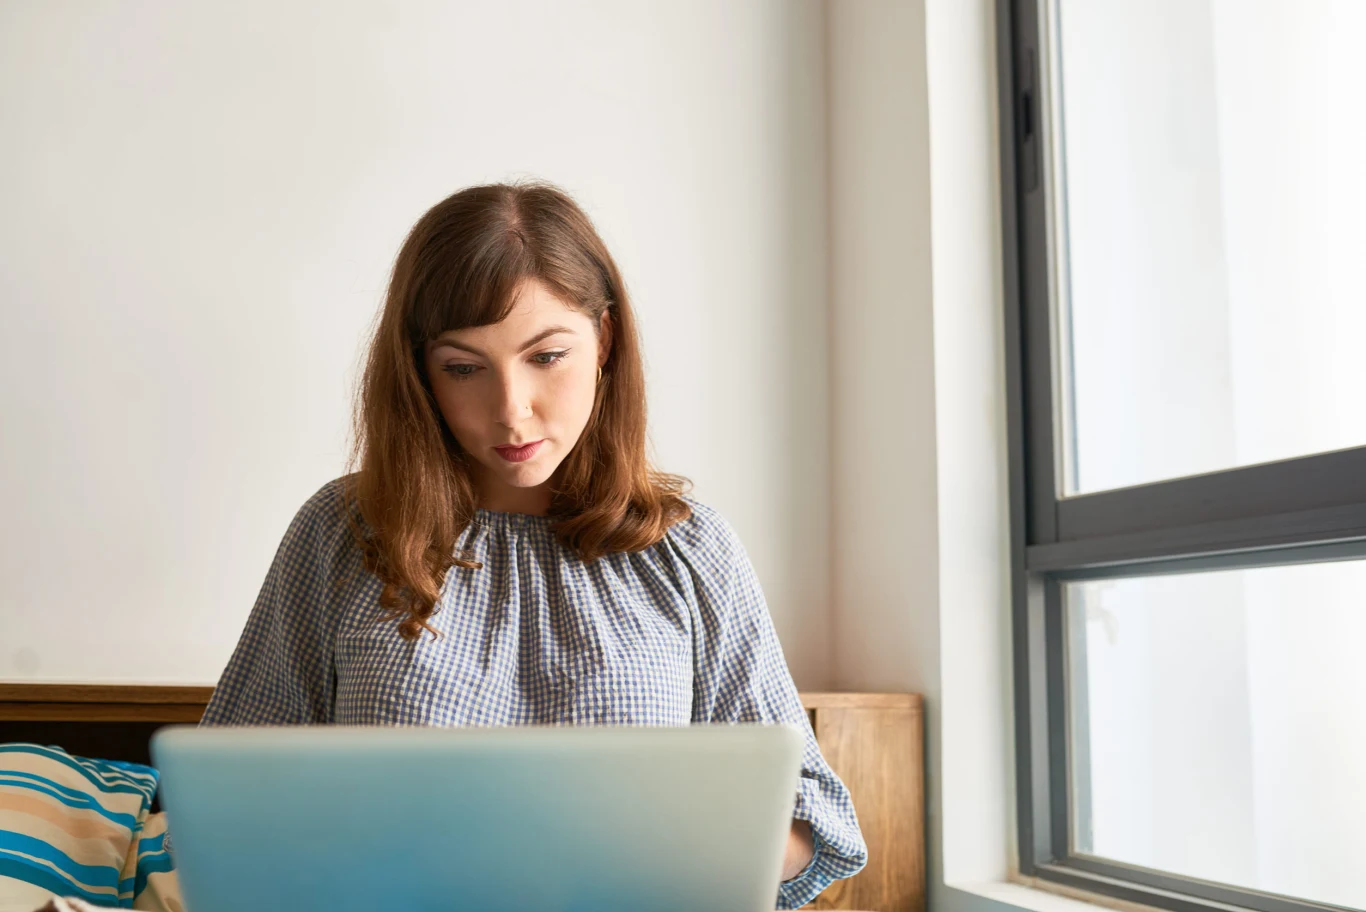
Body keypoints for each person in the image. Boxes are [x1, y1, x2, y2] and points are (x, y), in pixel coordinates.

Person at [200, 181, 868, 908]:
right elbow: (229, 802)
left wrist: (645, 837)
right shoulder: (341, 532)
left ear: (604, 340)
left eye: (546, 357)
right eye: (463, 368)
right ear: (420, 371)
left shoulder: (689, 550)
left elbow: (817, 821)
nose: (511, 412)